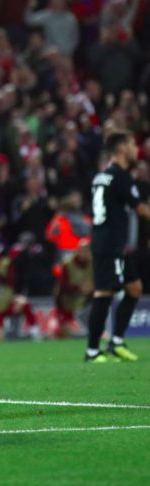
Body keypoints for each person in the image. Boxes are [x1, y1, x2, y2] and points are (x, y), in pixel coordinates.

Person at [86, 130, 150, 363]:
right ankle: (92, 351)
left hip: (115, 244)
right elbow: (140, 209)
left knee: (134, 288)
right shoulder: (121, 177)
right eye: (132, 144)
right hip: (109, 245)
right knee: (104, 292)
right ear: (122, 148)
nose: (136, 149)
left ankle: (116, 342)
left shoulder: (102, 176)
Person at [54, 238, 93, 338]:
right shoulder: (67, 263)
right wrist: (79, 288)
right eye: (82, 251)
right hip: (66, 301)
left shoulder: (93, 264)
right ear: (77, 251)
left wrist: (91, 287)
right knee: (64, 333)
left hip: (86, 302)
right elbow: (63, 286)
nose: (84, 254)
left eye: (86, 251)